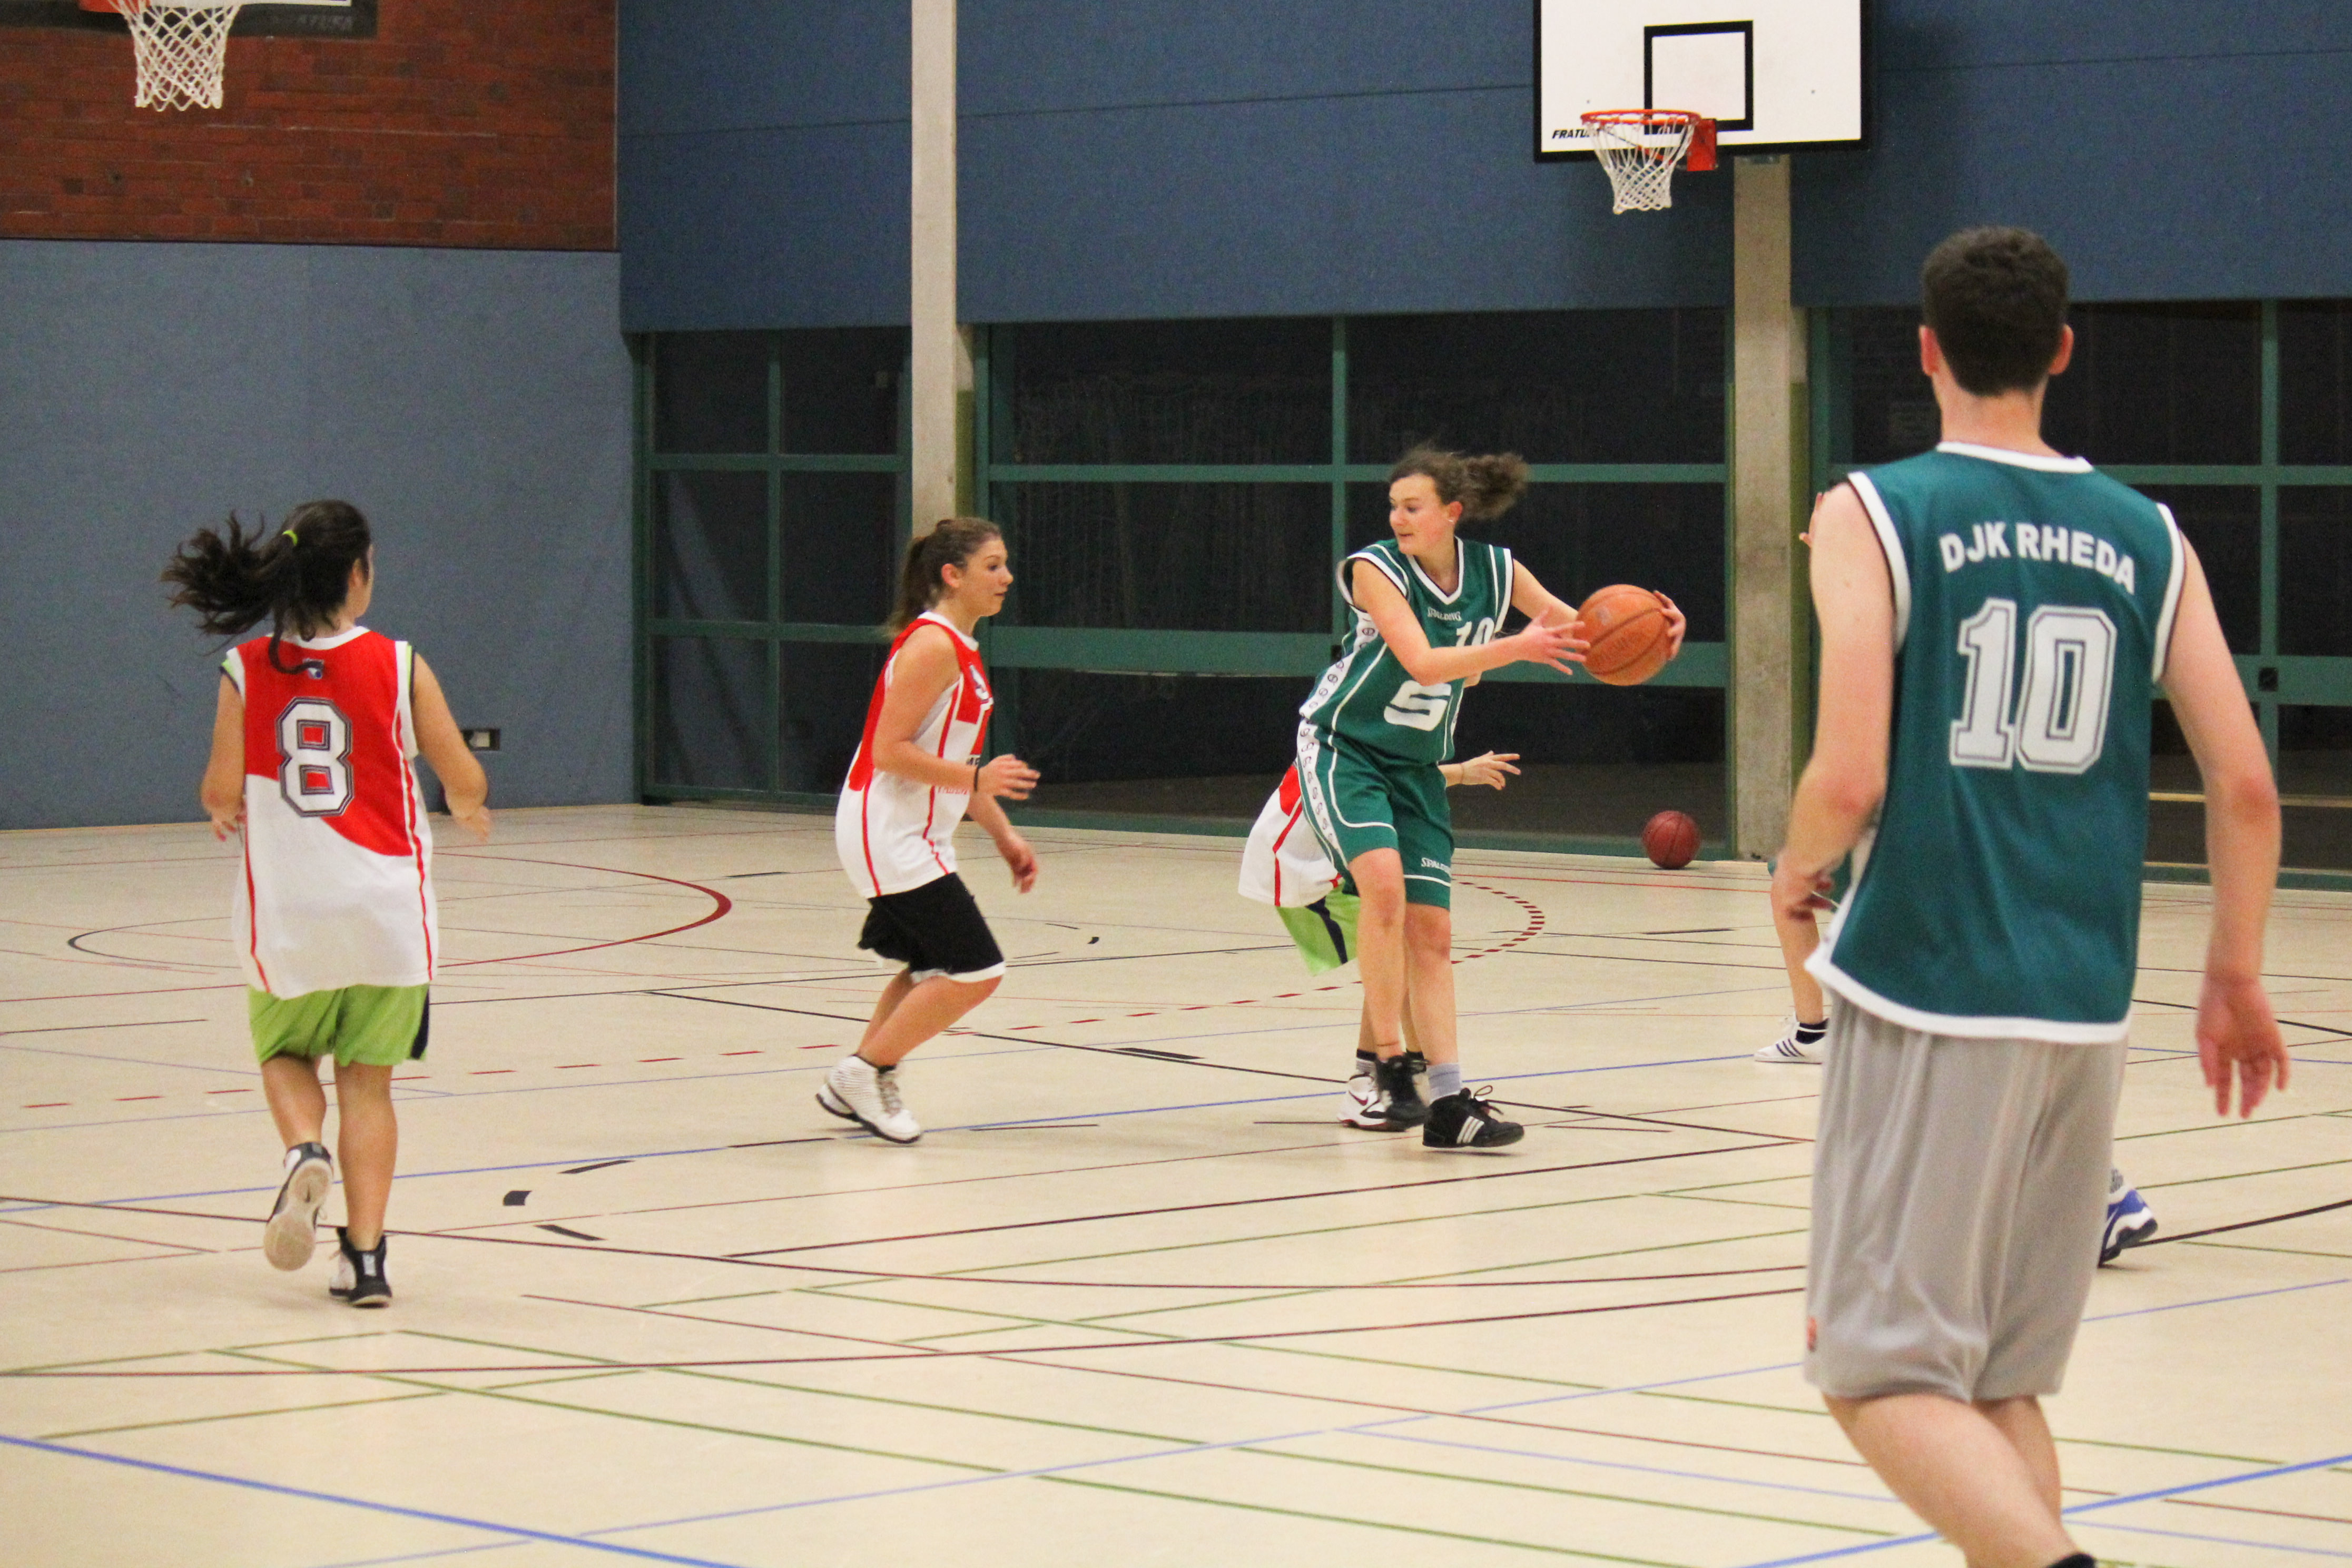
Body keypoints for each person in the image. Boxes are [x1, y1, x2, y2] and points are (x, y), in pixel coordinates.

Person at [1774, 226, 2289, 1568]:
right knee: (1997, 1384)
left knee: (1875, 1374)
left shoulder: (1871, 509)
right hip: (2082, 1002)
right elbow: (2243, 785)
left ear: (1925, 351)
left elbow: (1847, 772)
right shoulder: (2147, 535)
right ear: (2060, 351)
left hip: (1930, 983)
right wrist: (2232, 971)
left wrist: (1795, 861)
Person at [1295, 448, 1685, 1148]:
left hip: (1415, 765)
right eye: (1393, 506)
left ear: (1452, 512)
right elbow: (1423, 662)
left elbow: (1587, 638)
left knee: (1433, 934)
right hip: (1345, 750)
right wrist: (1515, 648)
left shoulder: (1498, 572)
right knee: (1382, 890)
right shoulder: (1374, 569)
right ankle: (1386, 1067)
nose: (1397, 518)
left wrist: (1659, 635)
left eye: (1412, 506)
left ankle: (1448, 1104)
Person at [165, 501, 490, 1307]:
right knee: (369, 1085)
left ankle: (304, 1150)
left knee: (285, 1056)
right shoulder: (400, 662)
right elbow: (463, 777)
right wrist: (468, 802)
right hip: (386, 914)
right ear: (357, 574)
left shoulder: (246, 667)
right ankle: (367, 1259)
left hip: (292, 913)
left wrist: (221, 808)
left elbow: (219, 788)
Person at [827, 518, 1038, 1143]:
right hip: (888, 831)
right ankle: (865, 1072)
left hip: (916, 833)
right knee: (977, 970)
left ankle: (859, 1077)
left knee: (929, 965)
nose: (1006, 577)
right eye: (992, 566)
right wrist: (977, 776)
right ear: (952, 575)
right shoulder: (932, 645)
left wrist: (1003, 835)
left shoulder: (960, 648)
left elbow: (954, 763)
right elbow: (887, 750)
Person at [1238, 748, 1521, 1128]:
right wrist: (1459, 772)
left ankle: (1418, 1077)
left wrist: (1460, 772)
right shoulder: (1339, 747)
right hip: (1302, 855)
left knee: (1408, 945)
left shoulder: (1377, 747)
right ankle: (1366, 1082)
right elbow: (1380, 781)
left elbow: (1398, 779)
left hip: (1327, 843)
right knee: (1398, 944)